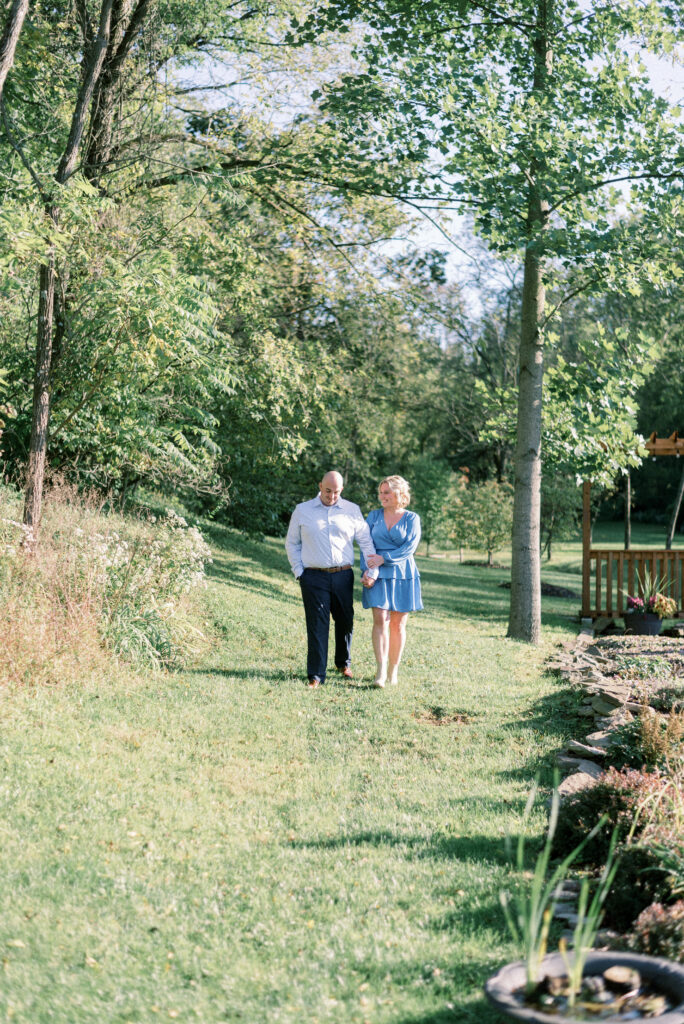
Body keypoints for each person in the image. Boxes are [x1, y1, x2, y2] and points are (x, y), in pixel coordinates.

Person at [285, 471, 382, 688]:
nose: (331, 496)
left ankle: (342, 663)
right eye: (328, 491)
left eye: (336, 492)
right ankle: (316, 675)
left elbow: (366, 543)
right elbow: (292, 543)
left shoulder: (352, 510)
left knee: (345, 621)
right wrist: (299, 571)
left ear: (342, 490)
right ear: (320, 486)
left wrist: (372, 571)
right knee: (318, 625)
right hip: (313, 576)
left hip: (343, 575)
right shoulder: (303, 510)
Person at [360, 475, 423, 688]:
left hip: (403, 572)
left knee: (397, 624)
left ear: (399, 494)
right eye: (381, 492)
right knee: (380, 620)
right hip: (377, 573)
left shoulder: (412, 518)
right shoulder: (374, 516)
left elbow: (409, 548)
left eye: (387, 492)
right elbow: (365, 544)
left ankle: (393, 671)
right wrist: (367, 570)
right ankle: (380, 670)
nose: (382, 496)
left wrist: (384, 558)